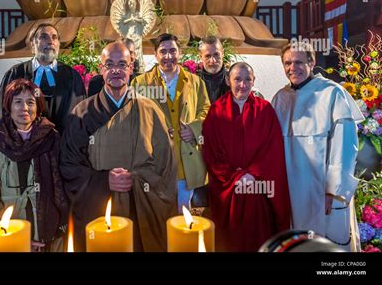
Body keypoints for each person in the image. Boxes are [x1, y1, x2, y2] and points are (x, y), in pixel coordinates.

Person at [61, 42, 176, 252]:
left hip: (139, 208)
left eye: (122, 64)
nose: (116, 70)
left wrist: (139, 180)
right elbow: (69, 166)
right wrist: (104, 181)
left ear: (131, 67)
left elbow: (165, 165)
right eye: (109, 64)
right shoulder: (82, 113)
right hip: (98, 208)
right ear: (100, 68)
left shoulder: (150, 110)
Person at [271, 42, 364, 251]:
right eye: (287, 63)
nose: (292, 68)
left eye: (298, 62)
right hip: (292, 191)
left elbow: (345, 146)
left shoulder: (332, 93)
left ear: (311, 62)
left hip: (322, 189)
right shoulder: (280, 97)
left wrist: (333, 190)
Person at [202, 62, 291, 252]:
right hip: (227, 186)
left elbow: (273, 149)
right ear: (228, 80)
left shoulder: (265, 110)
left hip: (258, 186)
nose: (242, 84)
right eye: (237, 79)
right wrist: (234, 178)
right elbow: (211, 150)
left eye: (247, 79)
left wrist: (252, 175)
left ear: (253, 81)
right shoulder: (216, 111)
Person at [0, 79, 68, 252]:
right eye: (18, 102)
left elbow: (64, 183)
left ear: (38, 106)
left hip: (48, 231)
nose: (24, 108)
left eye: (30, 102)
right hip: (6, 230)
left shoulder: (53, 138)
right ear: (8, 106)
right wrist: (12, 239)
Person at [131, 33, 210, 212]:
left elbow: (206, 110)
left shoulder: (195, 82)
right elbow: (134, 117)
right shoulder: (140, 83)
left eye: (173, 51)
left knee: (184, 213)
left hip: (185, 160)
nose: (168, 56)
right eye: (163, 51)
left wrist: (194, 129)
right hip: (156, 161)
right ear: (155, 54)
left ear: (179, 53)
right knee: (157, 214)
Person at [0, 23, 86, 133]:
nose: (50, 41)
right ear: (32, 44)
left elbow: (78, 116)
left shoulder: (71, 76)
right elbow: (4, 112)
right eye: (44, 37)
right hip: (23, 145)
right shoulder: (15, 73)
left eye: (54, 37)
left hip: (61, 145)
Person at [197, 36, 230, 103]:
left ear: (223, 53)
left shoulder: (233, 80)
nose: (213, 60)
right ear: (201, 56)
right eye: (208, 56)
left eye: (216, 54)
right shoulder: (194, 82)